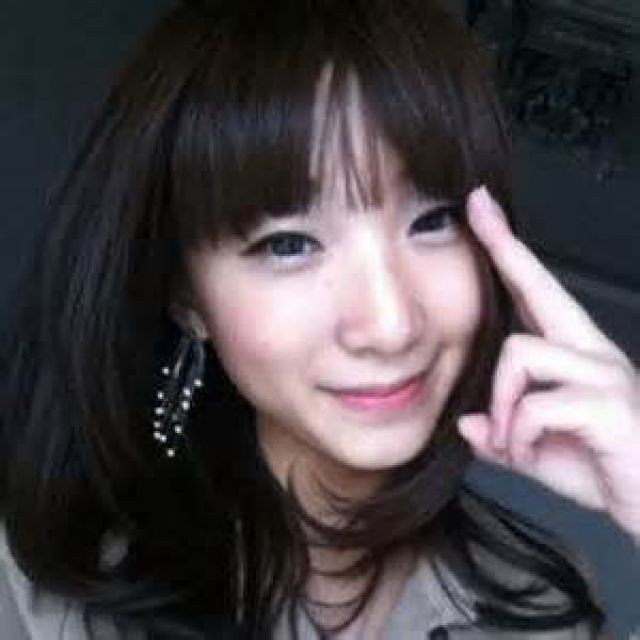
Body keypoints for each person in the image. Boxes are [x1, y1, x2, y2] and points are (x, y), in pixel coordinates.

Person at [1, 0, 638, 637]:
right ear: (186, 298)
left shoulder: (540, 608)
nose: (390, 325)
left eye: (433, 220)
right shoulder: (40, 594)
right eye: (288, 245)